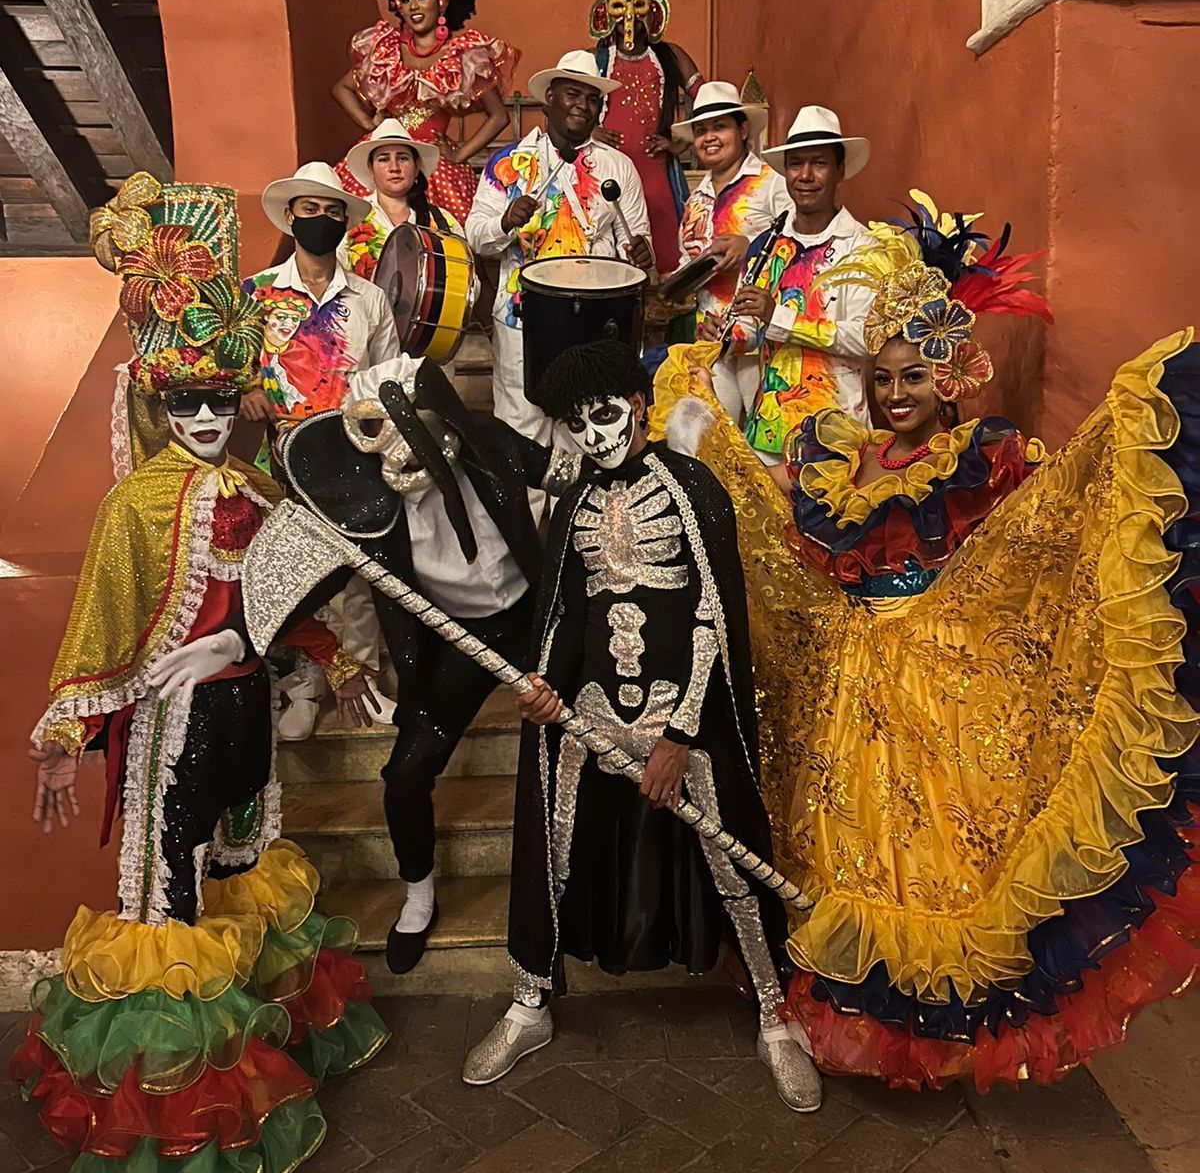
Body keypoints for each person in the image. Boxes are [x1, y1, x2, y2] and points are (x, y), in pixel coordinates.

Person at [653, 191, 1200, 1092]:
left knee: (940, 851)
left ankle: (930, 1026)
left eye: (912, 376)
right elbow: (773, 517)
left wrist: (1123, 430)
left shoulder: (985, 458)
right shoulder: (834, 455)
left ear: (948, 378)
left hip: (944, 677)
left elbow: (1036, 534)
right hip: (844, 674)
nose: (895, 394)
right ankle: (836, 1014)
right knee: (843, 843)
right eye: (882, 378)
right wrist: (704, 419)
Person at [10, 174, 388, 1173]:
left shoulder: (262, 491)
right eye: (188, 401)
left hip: (245, 719)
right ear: (159, 403)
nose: (210, 417)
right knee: (170, 901)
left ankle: (257, 1058)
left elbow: (280, 599)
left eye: (222, 398)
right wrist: (66, 734)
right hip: (174, 729)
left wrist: (337, 660)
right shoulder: (133, 506)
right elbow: (101, 625)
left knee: (243, 870)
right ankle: (181, 1123)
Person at [461, 341, 821, 1112]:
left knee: (731, 861)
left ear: (637, 403)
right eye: (573, 424)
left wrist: (680, 735)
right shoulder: (571, 504)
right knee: (553, 845)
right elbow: (566, 612)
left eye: (602, 415)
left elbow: (712, 616)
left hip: (681, 711)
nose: (593, 436)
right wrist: (545, 684)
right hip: (591, 711)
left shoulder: (693, 486)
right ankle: (530, 1001)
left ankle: (775, 1013)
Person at [251, 355, 584, 975]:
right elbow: (291, 593)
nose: (400, 457)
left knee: (587, 735)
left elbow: (569, 476)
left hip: (535, 618)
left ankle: (586, 877)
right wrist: (338, 661)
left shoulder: (490, 441)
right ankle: (418, 893)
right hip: (451, 640)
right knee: (405, 773)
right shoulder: (365, 508)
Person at [243, 160, 401, 734]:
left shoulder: (369, 299)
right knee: (291, 574)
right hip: (279, 457)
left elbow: (387, 379)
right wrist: (249, 389)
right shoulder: (255, 295)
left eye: (333, 211)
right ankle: (304, 684)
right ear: (290, 217)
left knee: (360, 575)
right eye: (310, 210)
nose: (322, 219)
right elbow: (234, 366)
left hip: (353, 454)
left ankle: (365, 678)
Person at [466, 49, 655, 442]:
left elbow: (636, 241)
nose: (583, 105)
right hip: (522, 319)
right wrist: (506, 221)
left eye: (592, 99)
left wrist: (641, 253)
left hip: (596, 321)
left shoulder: (618, 167)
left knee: (588, 430)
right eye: (573, 94)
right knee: (522, 432)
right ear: (549, 99)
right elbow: (476, 237)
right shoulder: (507, 163)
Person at [705, 104, 875, 462]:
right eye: (796, 164)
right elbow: (754, 331)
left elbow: (865, 338)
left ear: (840, 170)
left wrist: (777, 316)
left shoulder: (863, 247)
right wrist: (728, 337)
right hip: (767, 433)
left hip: (835, 437)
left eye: (819, 163)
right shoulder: (767, 246)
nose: (805, 175)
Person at [332, 0, 518, 222]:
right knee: (361, 229)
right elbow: (340, 89)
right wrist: (369, 123)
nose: (414, 7)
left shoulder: (463, 55)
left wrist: (460, 154)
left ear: (440, 2)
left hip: (433, 167)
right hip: (385, 158)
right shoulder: (385, 49)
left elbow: (499, 116)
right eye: (405, 0)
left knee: (440, 234)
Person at [670, 81, 790, 422]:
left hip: (763, 342)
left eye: (719, 127)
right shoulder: (696, 199)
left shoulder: (772, 182)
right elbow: (688, 261)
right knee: (715, 436)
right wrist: (676, 284)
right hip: (712, 340)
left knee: (763, 435)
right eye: (701, 130)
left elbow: (800, 248)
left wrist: (749, 247)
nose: (709, 137)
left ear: (743, 130)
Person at [587, 0, 702, 276]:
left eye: (637, 6)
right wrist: (591, 131)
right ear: (604, 11)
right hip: (606, 171)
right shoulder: (595, 58)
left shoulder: (670, 56)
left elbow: (707, 101)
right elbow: (562, 105)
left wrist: (681, 142)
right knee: (611, 253)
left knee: (666, 256)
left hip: (655, 171)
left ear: (653, 10)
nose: (629, 17)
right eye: (619, 7)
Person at [341, 118, 465, 282]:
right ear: (371, 168)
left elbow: (467, 281)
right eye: (384, 159)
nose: (394, 168)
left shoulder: (443, 222)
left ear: (416, 167)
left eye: (403, 158)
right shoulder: (352, 220)